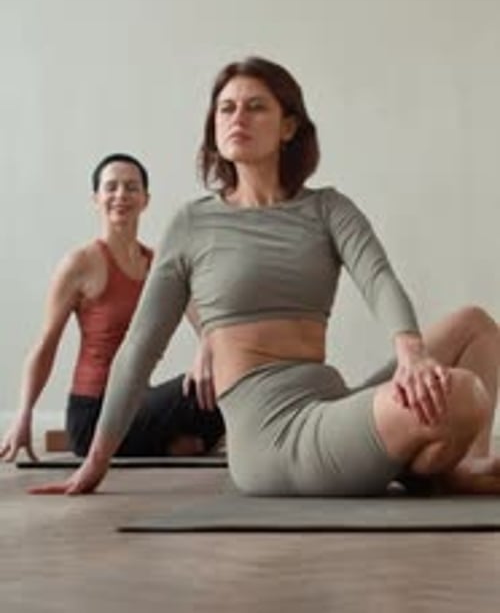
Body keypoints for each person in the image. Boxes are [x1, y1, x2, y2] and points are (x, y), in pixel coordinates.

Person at [29, 60, 500, 496]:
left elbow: (378, 279)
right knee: (461, 394)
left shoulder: (327, 208)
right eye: (226, 108)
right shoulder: (193, 225)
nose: (238, 118)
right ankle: (432, 462)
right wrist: (95, 463)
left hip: (329, 406)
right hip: (272, 437)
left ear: (288, 126)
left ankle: (455, 463)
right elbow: (139, 347)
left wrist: (411, 352)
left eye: (256, 107)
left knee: (475, 326)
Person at [0, 153, 224, 463]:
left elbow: (209, 326)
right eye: (111, 187)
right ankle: (174, 444)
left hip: (137, 404)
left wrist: (207, 350)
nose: (121, 195)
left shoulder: (160, 264)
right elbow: (45, 345)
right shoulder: (80, 264)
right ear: (96, 198)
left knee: (228, 375)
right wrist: (23, 415)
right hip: (94, 414)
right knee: (204, 404)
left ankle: (170, 444)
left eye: (131, 187)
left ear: (145, 199)